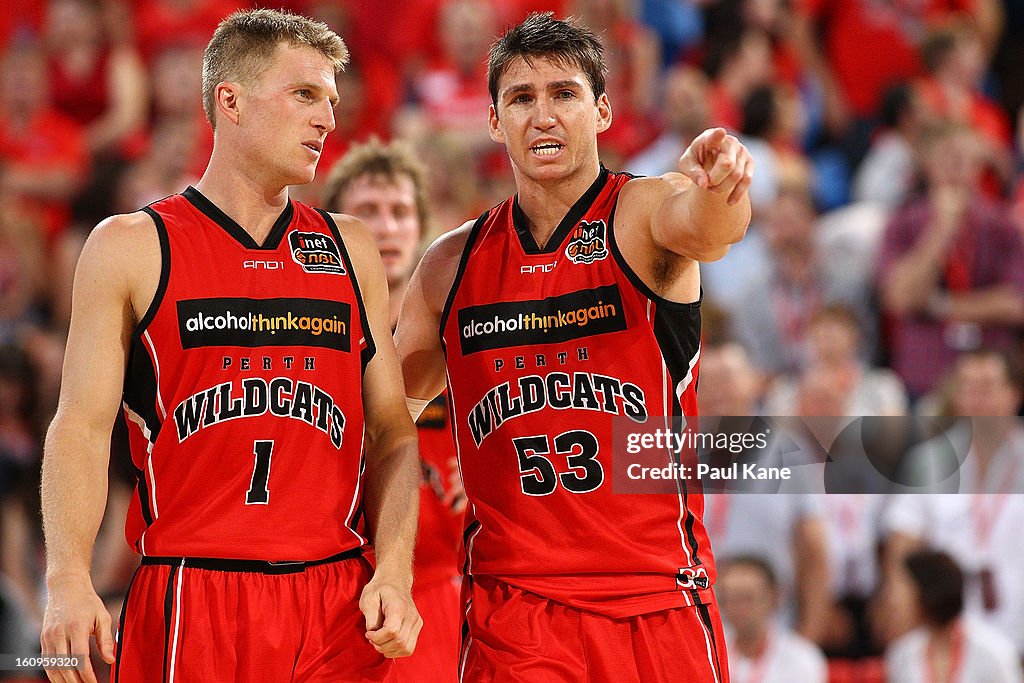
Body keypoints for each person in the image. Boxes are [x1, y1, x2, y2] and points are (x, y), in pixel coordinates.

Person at [39, 9, 422, 683]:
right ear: (231, 101)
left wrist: (394, 565)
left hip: (337, 602)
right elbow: (80, 426)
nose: (328, 119)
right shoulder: (130, 245)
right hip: (194, 592)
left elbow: (392, 429)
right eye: (305, 94)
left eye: (332, 101)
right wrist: (68, 576)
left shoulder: (349, 247)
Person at [396, 12, 753, 681]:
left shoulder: (644, 214)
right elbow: (383, 421)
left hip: (658, 600)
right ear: (495, 122)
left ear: (603, 110)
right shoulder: (450, 266)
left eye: (564, 94)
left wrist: (723, 185)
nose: (543, 116)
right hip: (518, 613)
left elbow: (707, 227)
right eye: (521, 99)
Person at [323, 136, 463, 683]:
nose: (385, 227)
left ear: (421, 227)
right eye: (367, 212)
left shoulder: (458, 334)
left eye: (400, 212)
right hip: (332, 590)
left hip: (438, 594)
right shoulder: (310, 339)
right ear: (336, 229)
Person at [885, 550, 1023, 683]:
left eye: (901, 590)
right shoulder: (901, 655)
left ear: (927, 593)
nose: (893, 601)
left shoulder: (993, 653)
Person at [717, 556, 827, 683]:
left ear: (773, 598)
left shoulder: (802, 658)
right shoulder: (708, 652)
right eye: (730, 598)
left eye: (747, 598)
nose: (737, 608)